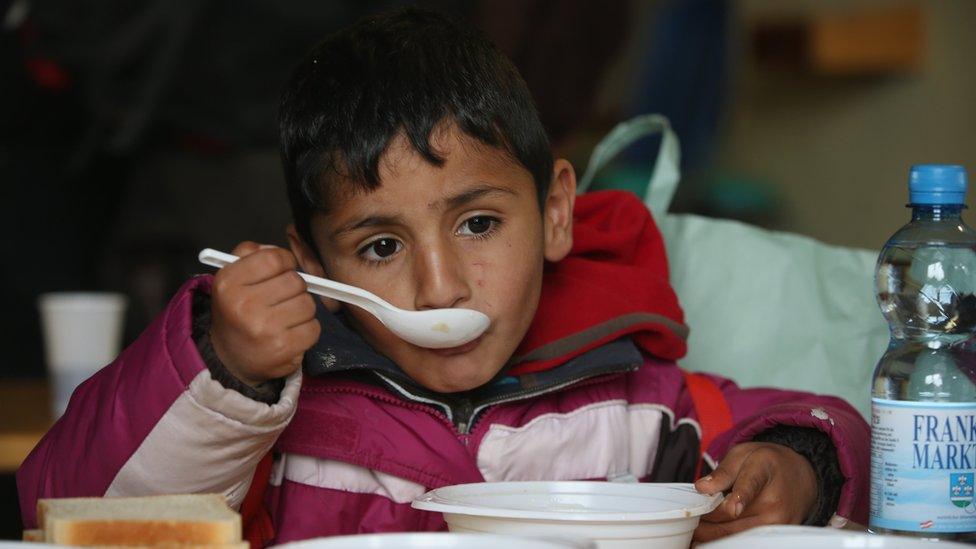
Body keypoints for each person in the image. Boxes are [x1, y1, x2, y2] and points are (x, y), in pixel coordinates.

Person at [17, 8, 869, 545]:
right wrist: (225, 367)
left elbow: (798, 428)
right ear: (313, 263)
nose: (441, 286)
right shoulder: (274, 426)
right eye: (381, 245)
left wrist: (799, 466)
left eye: (479, 223)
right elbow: (69, 510)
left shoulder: (640, 402)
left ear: (557, 213)